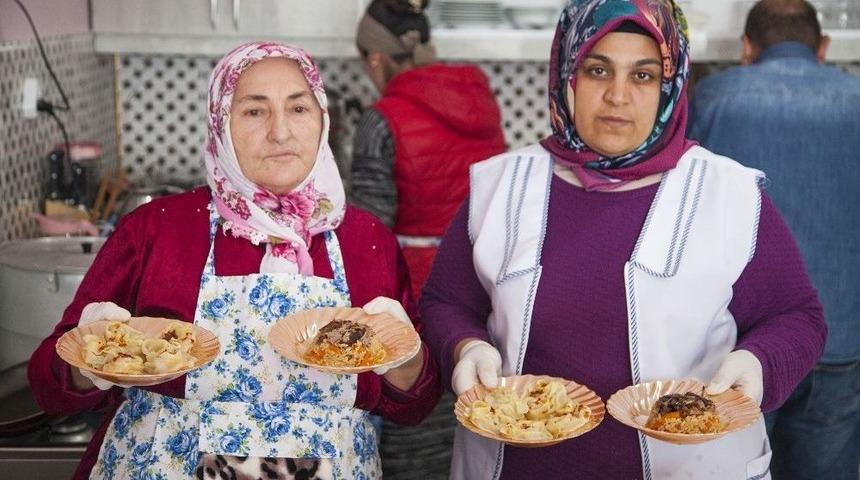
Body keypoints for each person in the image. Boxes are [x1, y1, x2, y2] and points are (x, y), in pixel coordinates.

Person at [420, 0, 827, 478]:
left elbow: (798, 317)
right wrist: (464, 346)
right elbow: (445, 301)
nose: (617, 95)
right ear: (567, 75)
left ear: (670, 85)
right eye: (598, 70)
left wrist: (758, 363)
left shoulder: (729, 193)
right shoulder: (501, 186)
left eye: (643, 76)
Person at [27, 41, 441, 480]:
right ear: (220, 125)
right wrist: (86, 362)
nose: (280, 132)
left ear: (323, 118)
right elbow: (48, 386)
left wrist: (406, 361)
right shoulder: (155, 230)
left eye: (299, 109)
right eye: (254, 111)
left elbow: (414, 404)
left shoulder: (365, 241)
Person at [688, 1, 860, 478]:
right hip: (841, 335)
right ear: (822, 48)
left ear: (746, 49)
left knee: (734, 466)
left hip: (742, 345)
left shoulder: (713, 99)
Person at [352, 0, 506, 297]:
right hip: (483, 275)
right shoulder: (479, 98)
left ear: (375, 58)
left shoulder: (381, 119)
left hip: (416, 283)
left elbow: (369, 230)